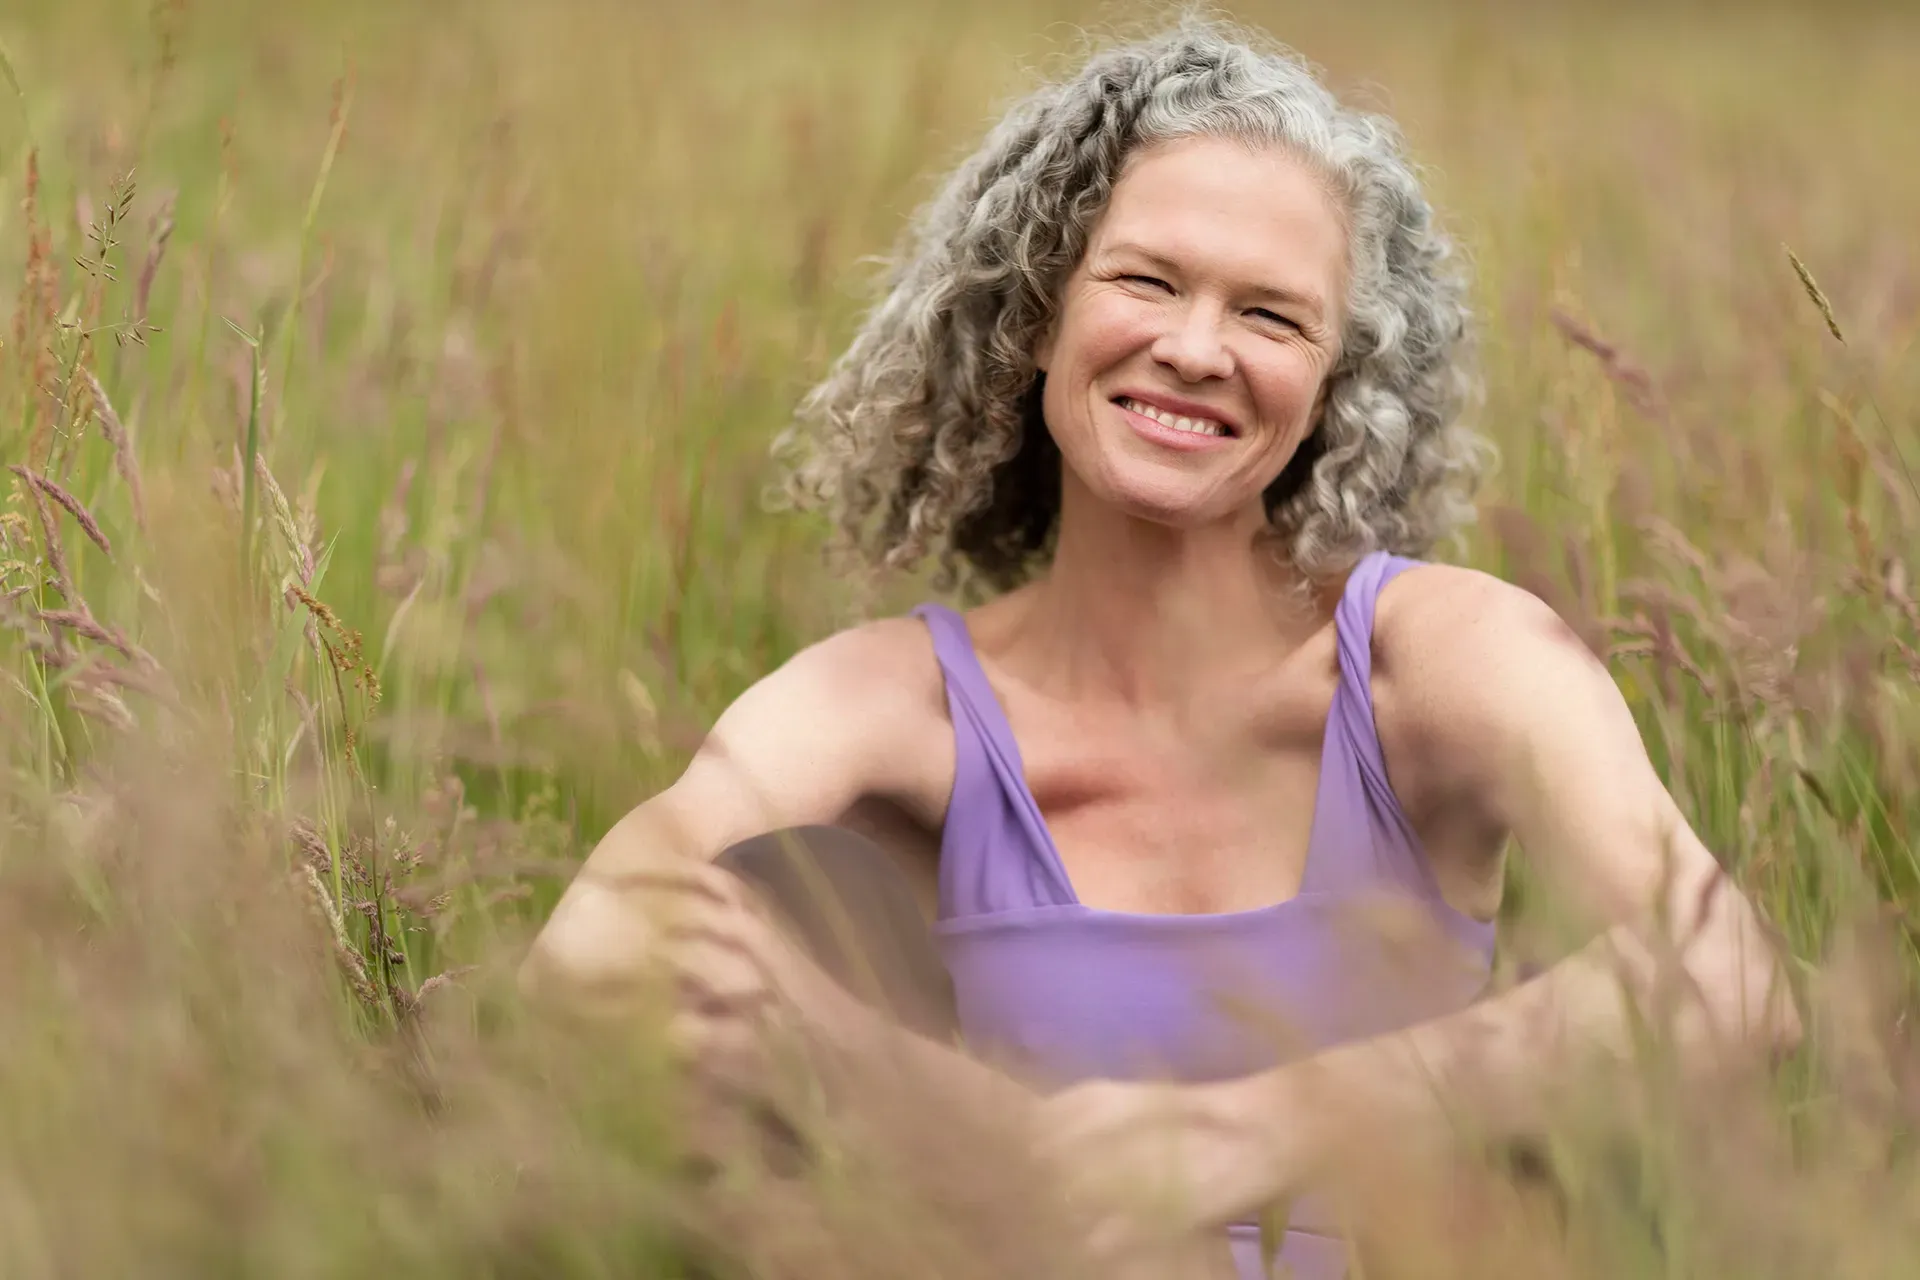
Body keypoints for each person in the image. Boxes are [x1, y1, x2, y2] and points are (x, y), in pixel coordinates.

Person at [519, 19, 1801, 1279]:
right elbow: (585, 956)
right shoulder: (894, 704)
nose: (1196, 350)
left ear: (1334, 387)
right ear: (1035, 316)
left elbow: (1732, 977)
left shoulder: (1440, 657)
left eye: (1273, 317)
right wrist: (988, 1129)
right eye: (1145, 281)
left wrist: (1240, 1128)